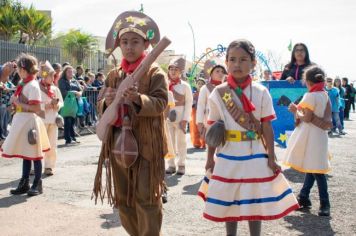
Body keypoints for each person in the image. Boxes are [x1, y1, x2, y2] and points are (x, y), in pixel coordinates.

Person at [202, 39, 299, 236]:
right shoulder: (218, 94)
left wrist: (271, 157)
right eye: (232, 59)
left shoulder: (261, 91)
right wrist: (209, 158)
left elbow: (266, 126)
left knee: (255, 200)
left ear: (253, 63)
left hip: (255, 153)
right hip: (228, 153)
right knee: (229, 200)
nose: (237, 64)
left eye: (243, 59)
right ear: (226, 63)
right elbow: (213, 128)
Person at [92, 11, 168, 236]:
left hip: (146, 146)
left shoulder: (155, 73)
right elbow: (101, 107)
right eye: (124, 42)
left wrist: (138, 99)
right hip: (118, 146)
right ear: (119, 45)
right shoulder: (114, 74)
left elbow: (161, 103)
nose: (129, 47)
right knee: (124, 201)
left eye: (135, 42)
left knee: (147, 199)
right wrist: (106, 102)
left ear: (146, 44)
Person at [284, 65, 332, 216]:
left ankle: (325, 204)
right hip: (319, 135)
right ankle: (304, 197)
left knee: (317, 171)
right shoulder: (324, 94)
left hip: (310, 135)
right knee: (314, 166)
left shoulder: (310, 96)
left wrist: (295, 110)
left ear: (307, 81)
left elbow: (307, 117)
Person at [1, 53, 50, 196]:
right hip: (22, 120)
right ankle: (24, 183)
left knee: (35, 154)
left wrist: (17, 103)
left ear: (23, 69)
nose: (16, 71)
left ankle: (37, 184)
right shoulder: (24, 84)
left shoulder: (33, 85)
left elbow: (36, 108)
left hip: (30, 122)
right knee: (26, 154)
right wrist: (16, 106)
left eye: (18, 68)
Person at [165, 57, 193, 175]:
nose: (173, 71)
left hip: (181, 119)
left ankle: (181, 164)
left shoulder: (185, 86)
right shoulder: (164, 84)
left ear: (180, 71)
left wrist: (185, 119)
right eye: (171, 69)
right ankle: (171, 165)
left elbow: (189, 103)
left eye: (176, 69)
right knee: (169, 143)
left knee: (181, 142)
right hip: (167, 119)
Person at [39, 61, 64, 176]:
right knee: (38, 145)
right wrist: (47, 106)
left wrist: (56, 105)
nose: (53, 77)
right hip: (40, 120)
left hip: (53, 120)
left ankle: (49, 166)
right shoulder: (36, 88)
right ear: (44, 75)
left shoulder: (55, 89)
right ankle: (36, 166)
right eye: (51, 75)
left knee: (52, 145)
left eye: (54, 75)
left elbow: (61, 103)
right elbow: (33, 105)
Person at [196, 58, 227, 146]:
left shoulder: (227, 88)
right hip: (210, 121)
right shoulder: (205, 88)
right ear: (211, 73)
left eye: (222, 71)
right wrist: (200, 122)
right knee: (211, 144)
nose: (220, 73)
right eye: (217, 71)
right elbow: (201, 106)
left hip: (225, 120)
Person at [58, 65, 83, 145]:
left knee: (72, 121)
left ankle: (73, 138)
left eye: (72, 71)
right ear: (65, 72)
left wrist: (79, 93)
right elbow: (63, 92)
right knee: (67, 121)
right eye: (69, 71)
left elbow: (80, 90)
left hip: (74, 104)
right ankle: (68, 139)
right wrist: (75, 93)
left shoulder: (74, 81)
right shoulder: (62, 81)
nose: (71, 73)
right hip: (66, 103)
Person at [0, 62, 16, 140]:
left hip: (6, 103)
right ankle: (2, 135)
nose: (11, 71)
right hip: (2, 103)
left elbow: (10, 85)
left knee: (5, 118)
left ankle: (3, 134)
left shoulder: (8, 78)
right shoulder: (2, 70)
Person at [190, 78, 206, 149]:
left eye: (202, 83)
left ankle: (204, 142)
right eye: (198, 83)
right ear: (196, 85)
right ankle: (197, 142)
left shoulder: (206, 92)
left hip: (204, 112)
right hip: (195, 111)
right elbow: (191, 103)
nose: (200, 85)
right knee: (195, 127)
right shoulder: (194, 93)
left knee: (204, 127)